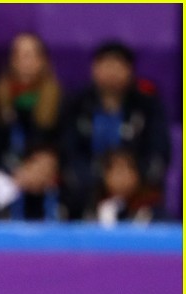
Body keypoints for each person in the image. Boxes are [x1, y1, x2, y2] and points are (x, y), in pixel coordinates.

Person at [62, 40, 170, 200]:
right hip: (84, 194)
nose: (112, 72)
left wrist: (134, 175)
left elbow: (159, 151)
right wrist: (101, 178)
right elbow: (68, 152)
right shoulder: (75, 105)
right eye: (106, 65)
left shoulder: (148, 106)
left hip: (139, 193)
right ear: (94, 69)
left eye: (118, 65)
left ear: (130, 71)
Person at [0, 32, 62, 172]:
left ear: (43, 60)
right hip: (3, 171)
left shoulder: (58, 99)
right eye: (19, 55)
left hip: (43, 172)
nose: (25, 61)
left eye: (31, 55)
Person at [0, 144, 79, 222]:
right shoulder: (3, 195)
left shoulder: (61, 199)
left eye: (49, 169)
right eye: (39, 167)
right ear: (27, 165)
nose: (42, 174)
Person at [87, 147, 162, 224]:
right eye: (118, 172)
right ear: (106, 176)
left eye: (129, 169)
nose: (123, 178)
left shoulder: (152, 205)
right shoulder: (94, 205)